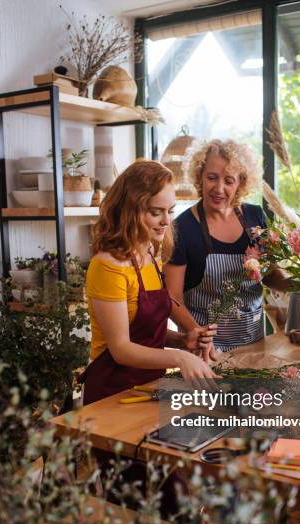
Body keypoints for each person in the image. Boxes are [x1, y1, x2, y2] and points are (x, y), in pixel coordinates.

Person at [82, 159, 218, 405]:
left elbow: (143, 332)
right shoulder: (107, 266)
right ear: (130, 210)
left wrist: (183, 340)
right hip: (111, 393)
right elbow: (121, 348)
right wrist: (179, 358)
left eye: (170, 211)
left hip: (147, 389)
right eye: (156, 212)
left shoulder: (149, 257)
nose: (166, 221)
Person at [164, 139, 290, 357]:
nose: (219, 188)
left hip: (256, 346)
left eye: (229, 181)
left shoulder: (255, 217)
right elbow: (172, 298)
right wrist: (198, 335)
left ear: (240, 183)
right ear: (199, 177)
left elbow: (269, 275)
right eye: (212, 177)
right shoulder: (182, 228)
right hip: (207, 352)